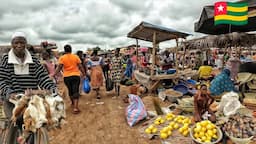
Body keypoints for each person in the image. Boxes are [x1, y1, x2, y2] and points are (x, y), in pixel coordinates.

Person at [0, 32, 58, 119]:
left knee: (40, 120)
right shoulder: (6, 59)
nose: (19, 45)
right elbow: (2, 79)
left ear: (25, 44)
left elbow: (42, 77)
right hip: (12, 100)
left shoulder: (33, 59)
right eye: (16, 43)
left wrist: (51, 87)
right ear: (12, 44)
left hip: (31, 98)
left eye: (22, 42)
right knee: (14, 123)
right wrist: (9, 93)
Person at [52, 44, 86, 114]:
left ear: (65, 50)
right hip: (76, 76)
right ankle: (76, 108)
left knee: (70, 90)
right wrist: (84, 74)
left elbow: (59, 67)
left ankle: (73, 103)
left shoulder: (62, 58)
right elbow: (80, 66)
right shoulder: (75, 57)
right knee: (75, 90)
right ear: (71, 49)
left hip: (66, 77)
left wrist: (54, 74)